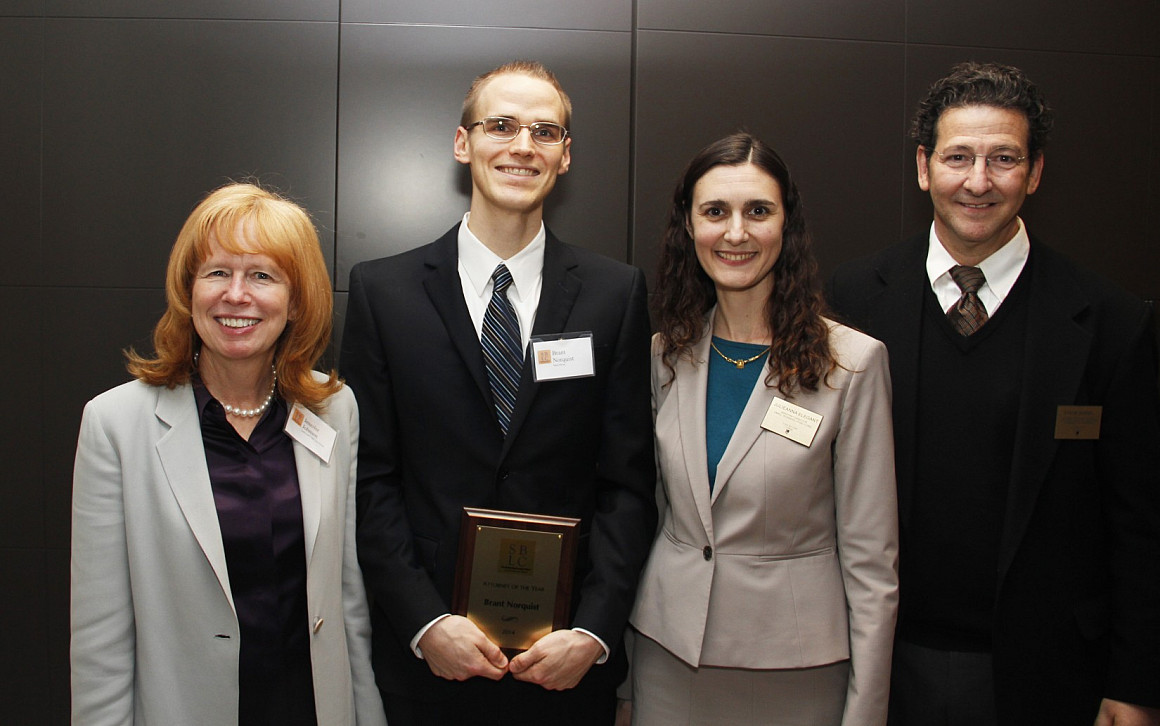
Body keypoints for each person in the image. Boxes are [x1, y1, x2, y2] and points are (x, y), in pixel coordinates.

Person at [826, 61, 1160, 726]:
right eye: (958, 157)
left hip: (1051, 673)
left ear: (1034, 173)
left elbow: (1142, 524)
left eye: (1003, 159)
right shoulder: (850, 301)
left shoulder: (1111, 323)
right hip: (881, 667)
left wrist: (1137, 685)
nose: (978, 182)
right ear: (924, 167)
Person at [340, 60, 656, 725]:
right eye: (502, 125)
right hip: (429, 667)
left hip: (563, 669)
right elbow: (369, 482)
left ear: (565, 156)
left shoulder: (614, 295)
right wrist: (424, 622)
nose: (522, 146)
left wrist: (594, 633)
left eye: (545, 132)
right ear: (464, 143)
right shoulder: (383, 292)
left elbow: (627, 485)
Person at [70, 183, 387, 726]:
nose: (236, 295)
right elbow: (100, 633)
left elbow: (347, 599)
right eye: (217, 272)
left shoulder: (334, 410)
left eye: (263, 276)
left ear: (296, 301)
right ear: (188, 289)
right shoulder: (116, 424)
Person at [627, 132, 899, 726]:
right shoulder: (663, 357)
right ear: (688, 228)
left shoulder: (851, 364)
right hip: (667, 659)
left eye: (758, 211)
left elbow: (872, 562)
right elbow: (646, 516)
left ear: (787, 226)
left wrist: (868, 710)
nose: (735, 233)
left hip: (795, 672)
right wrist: (623, 687)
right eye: (715, 212)